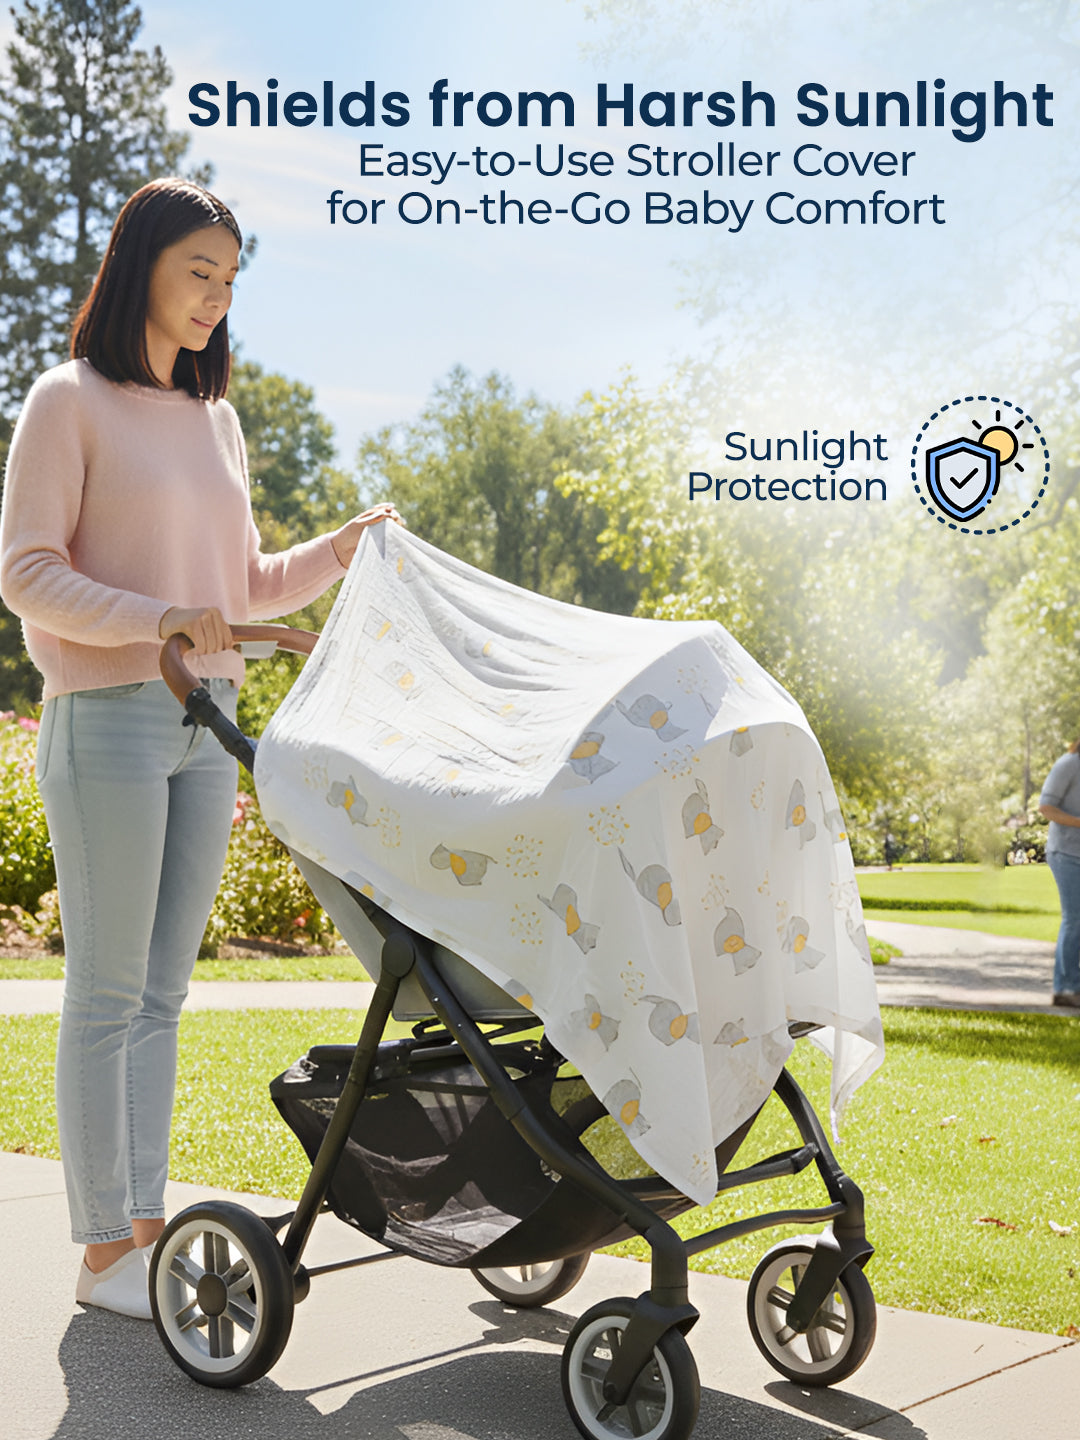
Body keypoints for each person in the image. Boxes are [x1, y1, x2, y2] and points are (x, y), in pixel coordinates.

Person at [0, 178, 399, 1319]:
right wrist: (159, 619)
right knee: (107, 992)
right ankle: (99, 1255)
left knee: (164, 994)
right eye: (199, 272)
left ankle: (143, 1226)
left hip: (207, 726)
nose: (217, 297)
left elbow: (240, 587)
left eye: (230, 278)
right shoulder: (68, 401)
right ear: (142, 265)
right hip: (110, 718)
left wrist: (338, 550)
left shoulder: (216, 420)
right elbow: (26, 573)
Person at [1038, 738, 1080, 1008]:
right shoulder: (1069, 764)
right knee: (1075, 919)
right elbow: (1046, 807)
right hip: (1067, 853)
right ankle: (1065, 988)